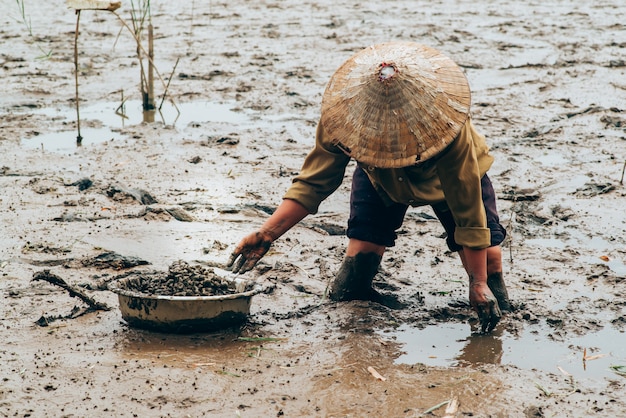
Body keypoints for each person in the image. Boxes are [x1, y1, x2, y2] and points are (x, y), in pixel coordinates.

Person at [227, 41, 511, 333]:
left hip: (443, 175)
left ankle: (494, 315)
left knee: (487, 264)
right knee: (358, 264)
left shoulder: (448, 130)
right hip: (379, 177)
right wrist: (267, 233)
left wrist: (477, 282)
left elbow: (468, 210)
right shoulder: (341, 119)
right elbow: (314, 182)